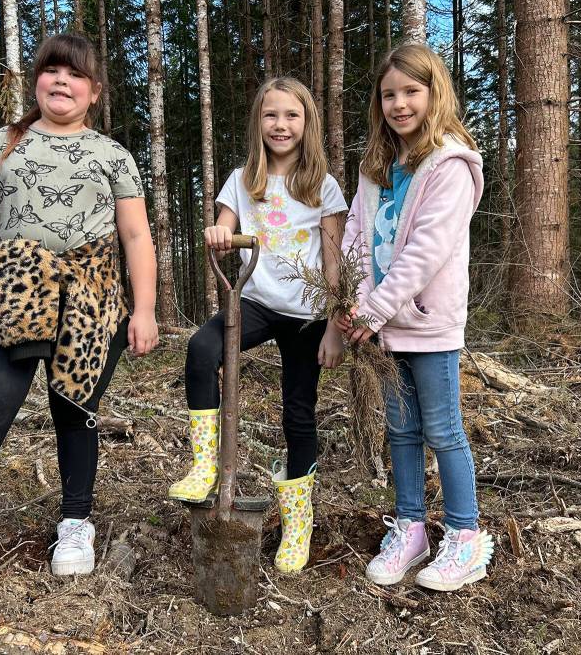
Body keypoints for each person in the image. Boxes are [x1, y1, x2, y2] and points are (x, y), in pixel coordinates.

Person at [0, 33, 158, 582]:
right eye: (52, 71)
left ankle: (75, 523)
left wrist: (143, 309)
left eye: (75, 75)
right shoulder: (3, 144)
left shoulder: (113, 156)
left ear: (94, 91)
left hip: (90, 299)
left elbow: (136, 235)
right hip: (12, 291)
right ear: (36, 81)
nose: (62, 81)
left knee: (75, 408)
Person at [168, 77, 347, 574]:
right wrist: (219, 233)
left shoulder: (323, 186)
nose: (280, 125)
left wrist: (335, 325)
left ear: (307, 122)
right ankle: (205, 466)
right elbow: (225, 226)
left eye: (291, 115)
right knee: (202, 348)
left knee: (298, 413)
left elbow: (334, 261)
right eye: (271, 115)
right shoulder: (243, 180)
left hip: (307, 313)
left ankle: (297, 523)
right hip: (256, 302)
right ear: (258, 122)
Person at [336, 44, 493, 592]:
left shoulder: (449, 165)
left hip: (427, 323)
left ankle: (465, 536)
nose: (399, 104)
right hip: (382, 324)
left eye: (411, 92)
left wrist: (375, 308)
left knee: (443, 429)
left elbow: (426, 251)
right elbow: (356, 235)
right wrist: (355, 298)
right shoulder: (377, 167)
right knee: (401, 430)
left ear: (434, 93)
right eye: (389, 95)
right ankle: (411, 529)